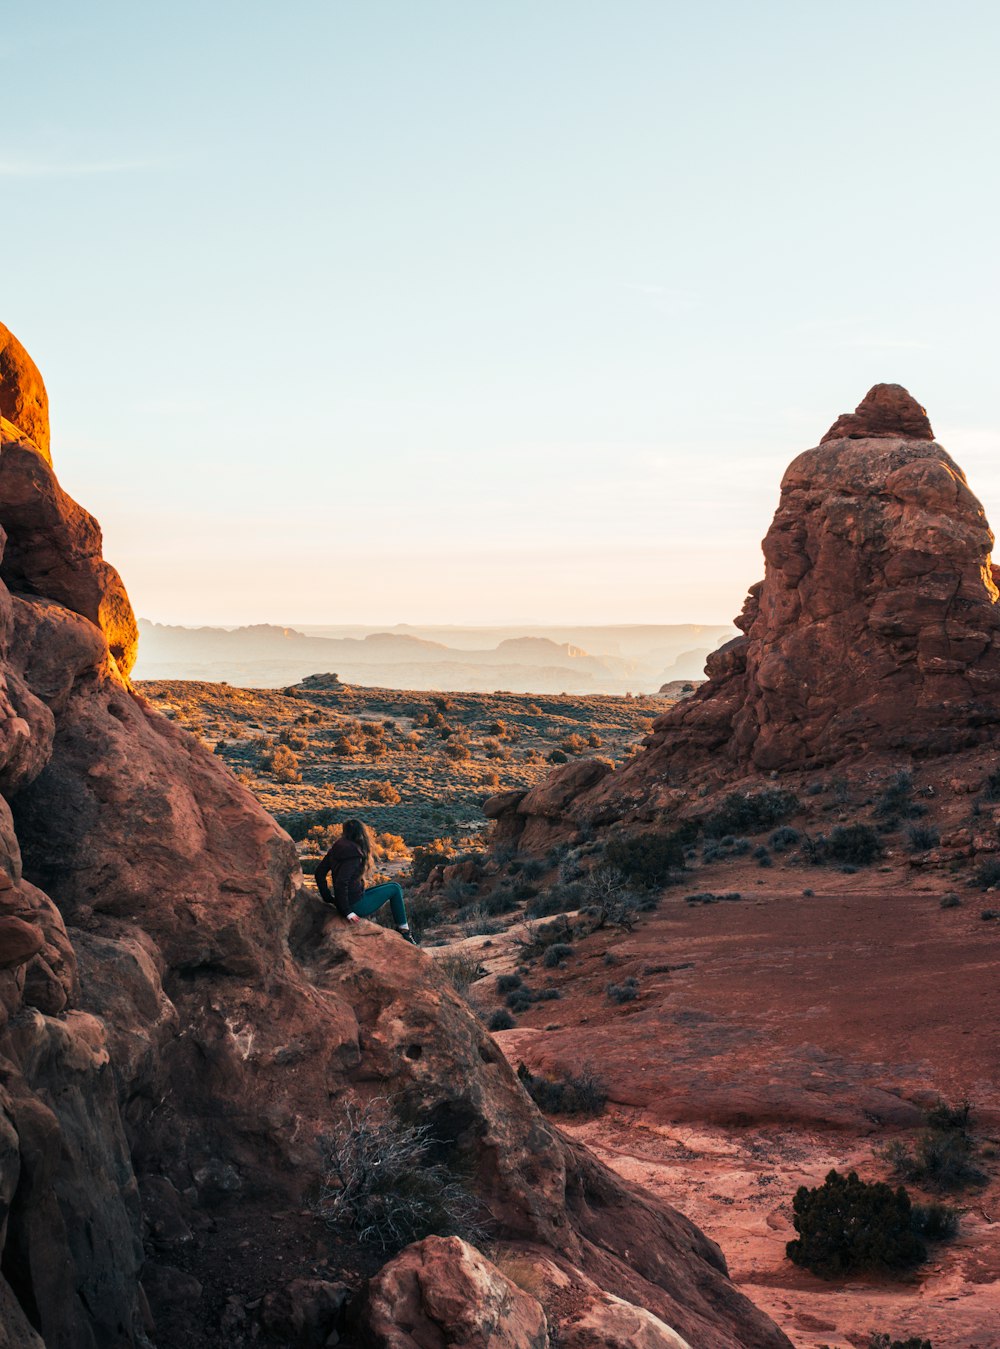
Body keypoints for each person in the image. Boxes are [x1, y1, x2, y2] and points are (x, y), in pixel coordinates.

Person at [314, 818, 417, 944]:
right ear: (361, 834)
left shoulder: (336, 848)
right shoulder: (354, 854)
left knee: (394, 885)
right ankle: (404, 931)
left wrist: (328, 898)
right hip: (356, 905)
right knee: (395, 889)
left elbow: (319, 873)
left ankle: (403, 929)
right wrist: (347, 911)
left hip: (352, 898)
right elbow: (342, 882)